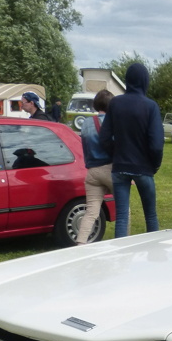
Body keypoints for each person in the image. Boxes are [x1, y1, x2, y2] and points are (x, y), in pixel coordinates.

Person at [97, 62, 163, 236]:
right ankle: (152, 251)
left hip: (120, 167)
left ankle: (121, 257)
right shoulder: (151, 107)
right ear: (145, 81)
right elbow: (156, 144)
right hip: (143, 168)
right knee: (150, 215)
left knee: (122, 217)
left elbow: (103, 137)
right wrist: (154, 165)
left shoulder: (115, 104)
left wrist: (115, 153)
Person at [76, 90, 114, 244]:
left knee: (91, 212)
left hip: (92, 172)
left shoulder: (86, 123)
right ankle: (125, 242)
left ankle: (80, 243)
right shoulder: (113, 123)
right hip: (110, 170)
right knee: (124, 209)